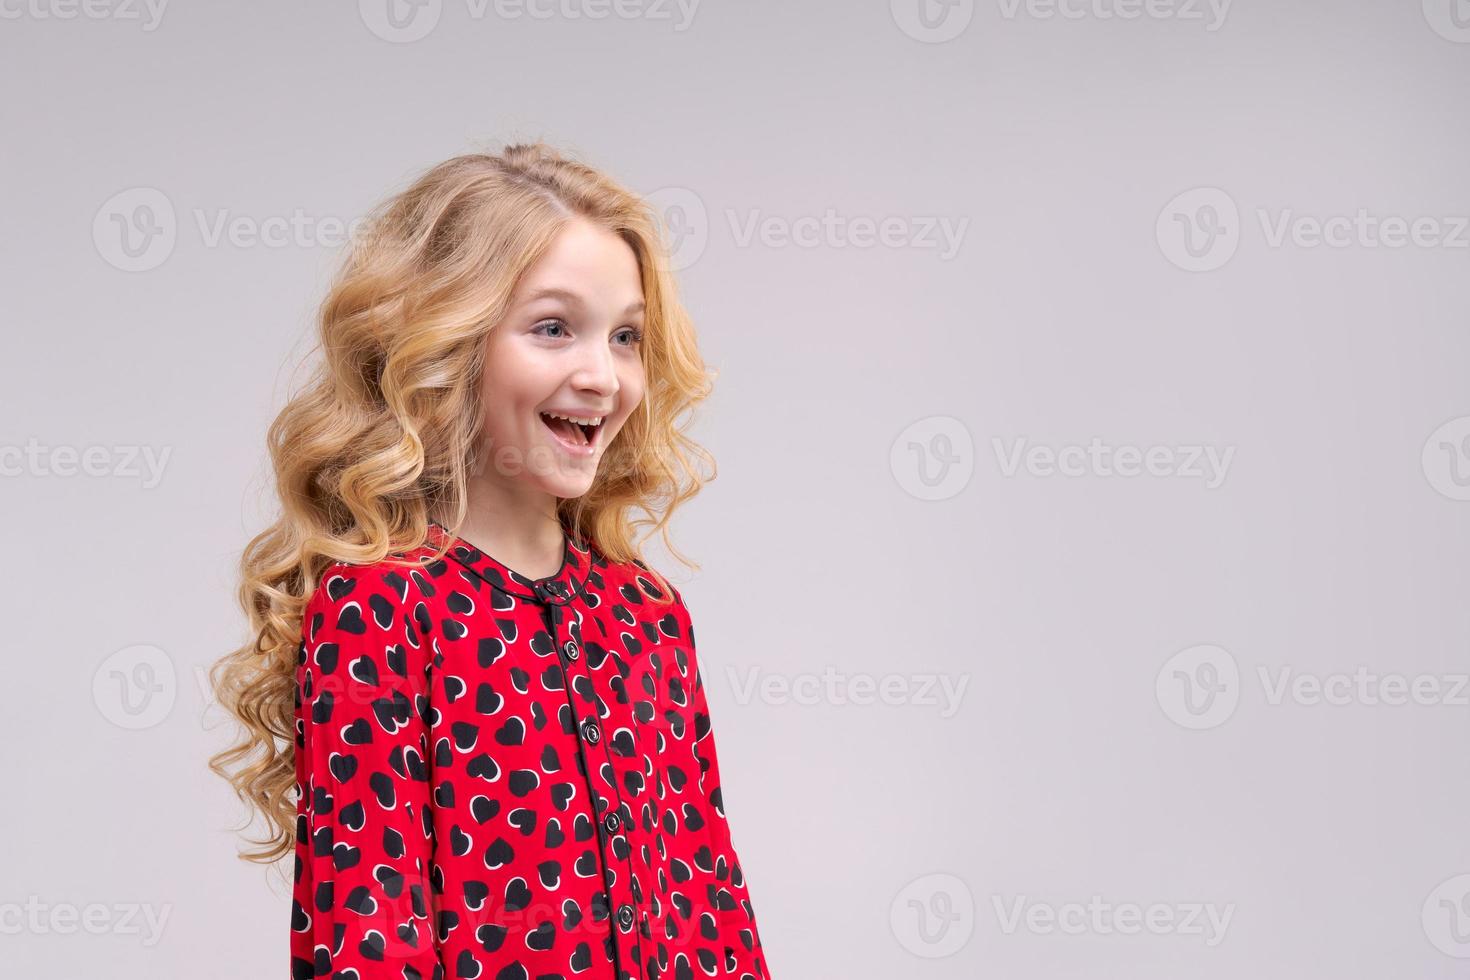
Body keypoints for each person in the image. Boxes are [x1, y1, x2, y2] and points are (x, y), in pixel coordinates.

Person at [207, 143, 770, 980]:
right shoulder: (381, 610)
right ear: (448, 342)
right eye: (553, 328)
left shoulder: (647, 615)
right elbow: (369, 939)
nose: (603, 376)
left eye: (625, 337)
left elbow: (711, 906)